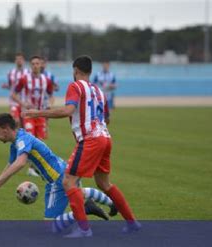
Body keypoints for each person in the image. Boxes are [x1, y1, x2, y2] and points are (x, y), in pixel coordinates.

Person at [23, 55, 141, 237]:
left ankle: (84, 229)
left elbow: (67, 110)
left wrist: (37, 113)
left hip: (90, 140)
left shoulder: (75, 86)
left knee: (68, 181)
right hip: (105, 138)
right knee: (104, 183)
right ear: (90, 71)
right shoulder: (99, 91)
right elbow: (106, 117)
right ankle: (132, 223)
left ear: (76, 70)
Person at [0, 113, 119, 232]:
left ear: (6, 129)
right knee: (77, 193)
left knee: (50, 226)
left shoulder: (22, 140)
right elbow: (10, 166)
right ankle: (110, 203)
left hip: (57, 180)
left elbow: (20, 163)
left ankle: (87, 209)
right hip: (65, 170)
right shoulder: (17, 142)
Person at [11, 55, 53, 140]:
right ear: (30, 65)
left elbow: (51, 96)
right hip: (29, 114)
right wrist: (23, 104)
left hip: (41, 113)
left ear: (40, 65)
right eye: (33, 64)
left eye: (37, 63)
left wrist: (49, 104)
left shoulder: (46, 80)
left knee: (40, 142)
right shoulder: (24, 78)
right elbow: (14, 95)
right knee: (30, 139)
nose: (35, 66)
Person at [2, 52, 29, 127]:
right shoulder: (11, 73)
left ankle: (22, 138)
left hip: (24, 102)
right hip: (13, 101)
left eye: (20, 59)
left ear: (23, 61)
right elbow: (11, 86)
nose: (19, 61)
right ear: (15, 61)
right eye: (17, 59)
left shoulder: (28, 73)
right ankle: (17, 137)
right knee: (16, 121)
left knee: (24, 125)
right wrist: (6, 86)